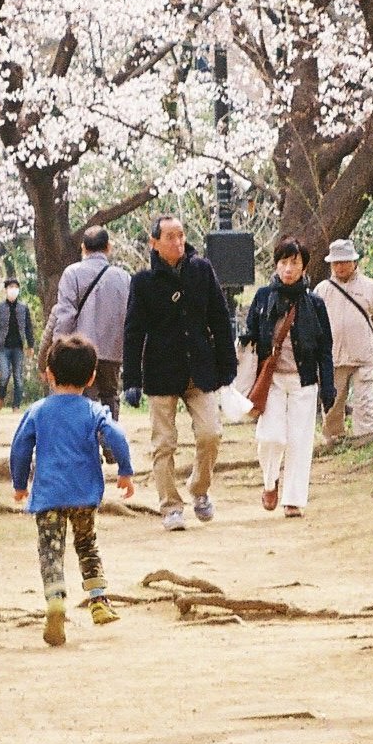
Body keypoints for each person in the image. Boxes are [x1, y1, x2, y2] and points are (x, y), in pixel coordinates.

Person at [10, 336, 135, 645]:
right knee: (87, 545)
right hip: (84, 494)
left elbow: (20, 447)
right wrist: (125, 470)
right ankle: (98, 600)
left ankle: (55, 599)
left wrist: (19, 484)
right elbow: (116, 436)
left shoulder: (38, 411)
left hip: (48, 496)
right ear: (91, 377)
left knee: (50, 550)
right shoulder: (93, 411)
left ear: (49, 374)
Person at [121, 213, 236, 531]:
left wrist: (228, 365)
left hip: (200, 368)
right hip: (161, 371)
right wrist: (131, 380)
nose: (178, 242)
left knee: (211, 434)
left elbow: (219, 318)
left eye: (181, 235)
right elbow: (133, 332)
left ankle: (199, 488)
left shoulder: (202, 270)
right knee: (164, 443)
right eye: (170, 237)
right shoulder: (143, 282)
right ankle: (170, 506)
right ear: (154, 243)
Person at [241, 237, 335, 516]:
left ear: (304, 267)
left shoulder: (314, 304)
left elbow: (325, 348)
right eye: (283, 262)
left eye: (294, 263)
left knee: (299, 442)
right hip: (271, 381)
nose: (288, 269)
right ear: (276, 264)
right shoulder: (263, 297)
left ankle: (293, 499)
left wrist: (328, 386)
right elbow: (250, 336)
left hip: (303, 381)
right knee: (270, 437)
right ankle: (270, 481)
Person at [314, 237, 373, 446]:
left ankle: (365, 438)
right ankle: (333, 439)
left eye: (344, 262)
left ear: (354, 261)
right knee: (332, 401)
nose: (340, 266)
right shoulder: (321, 291)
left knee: (365, 401)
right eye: (336, 263)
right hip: (333, 357)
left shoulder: (371, 288)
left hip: (363, 355)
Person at [50, 225, 131, 418]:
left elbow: (66, 315)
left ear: (83, 248)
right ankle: (109, 434)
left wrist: (58, 346)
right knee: (110, 395)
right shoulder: (124, 277)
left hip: (81, 351)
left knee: (85, 398)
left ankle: (87, 435)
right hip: (113, 350)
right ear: (108, 247)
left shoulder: (72, 273)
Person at [0, 278, 34, 411]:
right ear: (6, 290)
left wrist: (30, 345)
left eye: (15, 287)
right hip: (3, 347)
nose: (13, 290)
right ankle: (1, 397)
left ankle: (16, 406)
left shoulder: (23, 308)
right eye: (10, 287)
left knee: (18, 378)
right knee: (4, 375)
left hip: (18, 347)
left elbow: (28, 328)